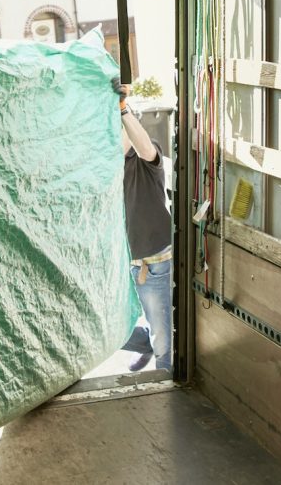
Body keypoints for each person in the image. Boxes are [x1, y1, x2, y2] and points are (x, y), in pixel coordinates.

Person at [117, 84, 172, 372]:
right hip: (127, 263)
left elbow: (143, 145)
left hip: (155, 262)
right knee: (110, 329)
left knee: (164, 343)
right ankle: (146, 343)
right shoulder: (107, 170)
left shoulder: (147, 162)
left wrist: (123, 109)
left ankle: (165, 382)